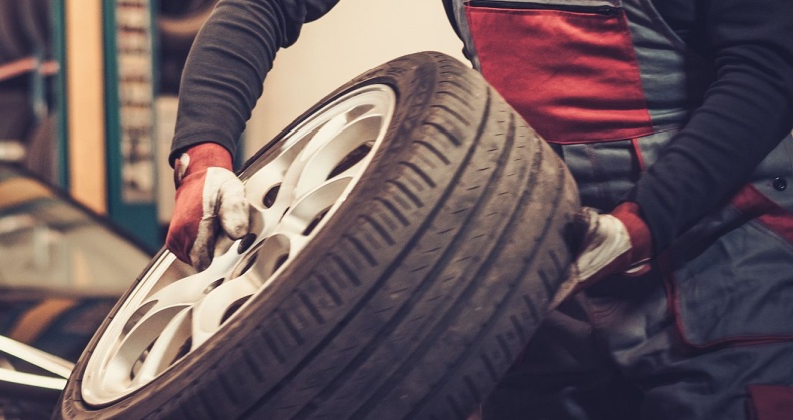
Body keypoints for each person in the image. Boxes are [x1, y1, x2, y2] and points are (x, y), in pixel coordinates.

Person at [162, 0, 793, 418]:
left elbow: (767, 72)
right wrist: (204, 152)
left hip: (719, 267)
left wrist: (643, 222)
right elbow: (261, 6)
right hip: (540, 272)